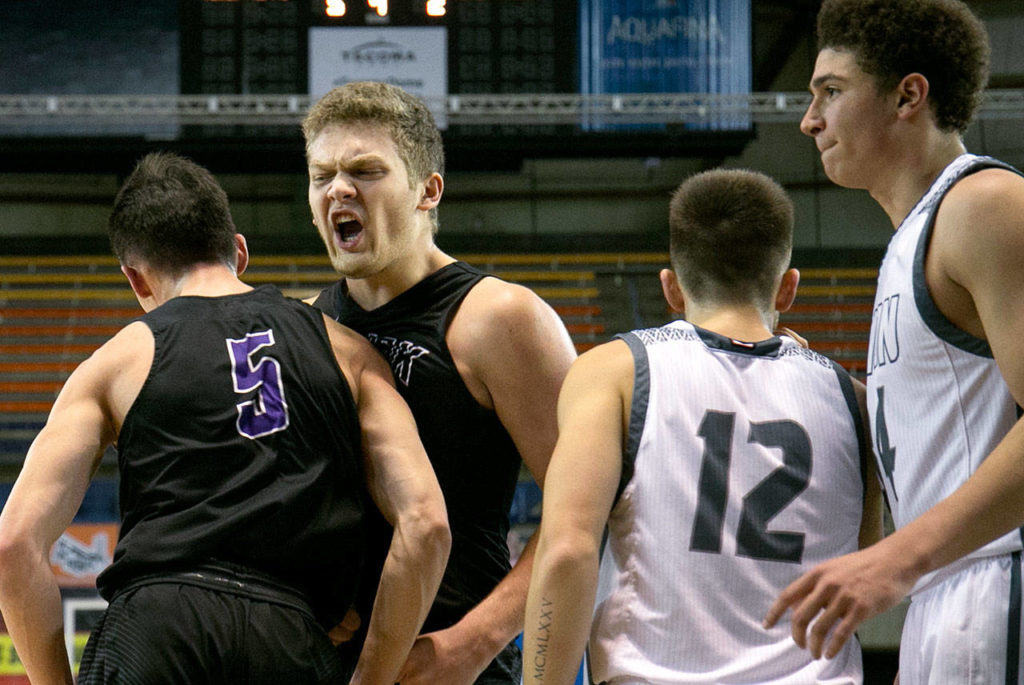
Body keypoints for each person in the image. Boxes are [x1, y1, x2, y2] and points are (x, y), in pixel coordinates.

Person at [0, 152, 450, 685]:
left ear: (136, 279)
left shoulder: (112, 364)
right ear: (238, 251)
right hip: (290, 632)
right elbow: (427, 526)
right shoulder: (348, 352)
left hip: (155, 627)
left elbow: (13, 545)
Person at [522, 168, 883, 684]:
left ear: (671, 287)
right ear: (787, 289)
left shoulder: (615, 370)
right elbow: (865, 562)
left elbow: (567, 551)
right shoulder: (854, 401)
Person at [763, 0, 1024, 681]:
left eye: (831, 91)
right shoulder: (915, 237)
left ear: (909, 95)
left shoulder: (985, 205)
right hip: (945, 591)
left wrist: (895, 557)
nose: (809, 119)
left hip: (996, 579)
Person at [302, 81, 578, 685]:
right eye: (322, 175)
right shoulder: (305, 327)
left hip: (454, 664)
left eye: (366, 171)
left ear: (429, 191)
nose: (339, 189)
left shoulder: (500, 319)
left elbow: (586, 511)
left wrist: (470, 644)